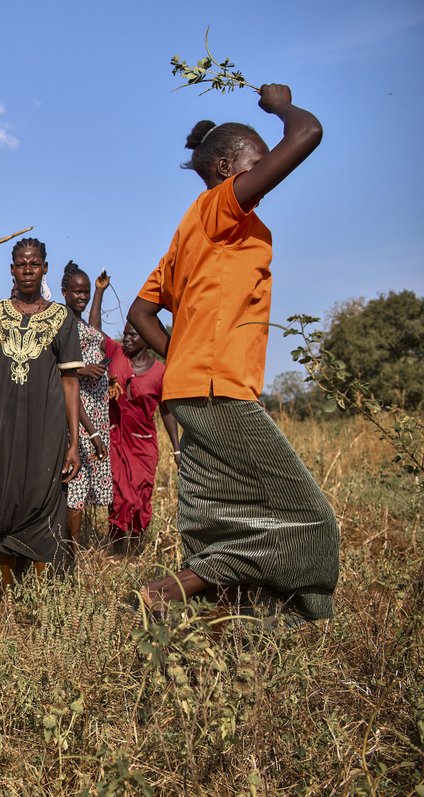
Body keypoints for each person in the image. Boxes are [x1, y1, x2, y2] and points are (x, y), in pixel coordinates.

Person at [127, 84, 338, 621]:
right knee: (308, 518)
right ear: (226, 167)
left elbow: (141, 312)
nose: (264, 172)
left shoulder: (190, 230)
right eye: (255, 163)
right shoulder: (223, 207)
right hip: (218, 389)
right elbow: (308, 132)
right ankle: (170, 590)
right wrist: (280, 105)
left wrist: (185, 359)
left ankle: (229, 627)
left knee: (220, 515)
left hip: (195, 387)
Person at [0, 238, 83, 582]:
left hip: (47, 426)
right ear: (12, 269)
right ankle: (7, 585)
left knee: (43, 496)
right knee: (3, 495)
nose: (27, 270)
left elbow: (70, 381)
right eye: (21, 264)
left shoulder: (61, 317)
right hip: (3, 425)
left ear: (45, 268)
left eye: (34, 264)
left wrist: (74, 442)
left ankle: (44, 588)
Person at [103, 308, 179, 554]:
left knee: (141, 495)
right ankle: (115, 548)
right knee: (117, 493)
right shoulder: (116, 356)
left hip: (144, 443)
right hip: (115, 437)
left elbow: (166, 411)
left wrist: (177, 450)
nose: (126, 339)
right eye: (125, 334)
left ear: (146, 338)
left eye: (133, 335)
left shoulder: (160, 372)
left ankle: (134, 548)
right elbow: (94, 327)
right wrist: (99, 292)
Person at [61, 260, 112, 545]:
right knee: (76, 479)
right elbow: (56, 366)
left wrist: (100, 292)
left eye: (86, 293)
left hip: (96, 407)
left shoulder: (80, 322)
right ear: (64, 291)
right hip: (76, 406)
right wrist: (84, 370)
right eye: (77, 292)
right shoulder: (61, 322)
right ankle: (72, 550)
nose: (82, 297)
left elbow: (95, 332)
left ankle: (78, 544)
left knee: (87, 476)